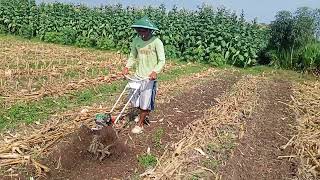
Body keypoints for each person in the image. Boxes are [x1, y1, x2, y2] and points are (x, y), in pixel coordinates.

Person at [122, 16, 165, 134]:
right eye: (139, 30)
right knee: (134, 100)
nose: (141, 33)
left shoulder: (157, 42)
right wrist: (127, 67)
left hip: (148, 78)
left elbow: (162, 60)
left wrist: (155, 71)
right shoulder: (136, 41)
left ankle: (140, 124)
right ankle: (142, 114)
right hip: (137, 75)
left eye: (144, 31)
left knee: (145, 103)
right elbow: (132, 56)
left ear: (150, 30)